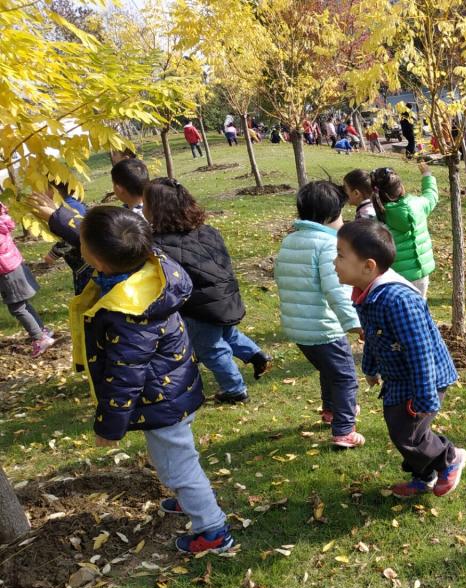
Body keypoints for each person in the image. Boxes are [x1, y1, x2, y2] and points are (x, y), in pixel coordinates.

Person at [69, 206, 234, 555]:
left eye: (81, 242)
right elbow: (99, 239)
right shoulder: (148, 267)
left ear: (96, 259)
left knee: (179, 468)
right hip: (169, 391)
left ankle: (213, 530)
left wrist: (109, 427)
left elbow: (125, 376)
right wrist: (57, 215)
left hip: (162, 400)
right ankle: (189, 499)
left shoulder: (128, 313)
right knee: (174, 459)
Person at [334, 219, 466, 498]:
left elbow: (420, 351)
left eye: (340, 256)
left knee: (409, 433)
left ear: (368, 266)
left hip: (423, 378)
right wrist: (370, 367)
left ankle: (449, 458)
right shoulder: (366, 293)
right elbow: (373, 334)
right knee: (398, 427)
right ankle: (424, 476)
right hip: (399, 375)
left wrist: (425, 396)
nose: (335, 262)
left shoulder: (397, 300)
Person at [143, 178, 271, 404]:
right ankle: (256, 355)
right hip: (225, 299)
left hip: (199, 308)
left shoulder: (159, 246)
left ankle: (235, 390)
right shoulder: (207, 231)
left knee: (211, 348)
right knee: (227, 334)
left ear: (155, 209)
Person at [275, 181, 364, 449]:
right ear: (329, 216)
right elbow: (335, 290)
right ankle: (344, 430)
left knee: (329, 370)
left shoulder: (290, 240)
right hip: (323, 327)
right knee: (345, 377)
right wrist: (355, 323)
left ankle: (331, 410)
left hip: (298, 327)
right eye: (340, 214)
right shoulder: (327, 245)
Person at [370, 163, 438, 298]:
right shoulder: (418, 205)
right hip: (420, 273)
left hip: (394, 276)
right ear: (401, 187)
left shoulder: (377, 219)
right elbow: (431, 196)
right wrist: (427, 175)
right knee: (419, 304)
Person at [0, 202, 54, 356]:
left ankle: (39, 338)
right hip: (13, 266)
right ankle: (41, 330)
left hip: (7, 272)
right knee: (22, 304)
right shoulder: (2, 221)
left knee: (17, 307)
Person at [27, 183, 90, 294]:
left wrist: (53, 254)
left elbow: (73, 234)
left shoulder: (71, 208)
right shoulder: (66, 206)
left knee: (87, 293)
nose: (37, 192)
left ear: (53, 190)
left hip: (86, 264)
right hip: (80, 265)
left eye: (40, 188)